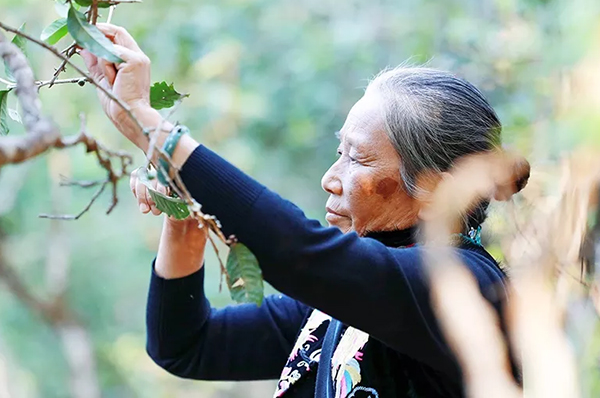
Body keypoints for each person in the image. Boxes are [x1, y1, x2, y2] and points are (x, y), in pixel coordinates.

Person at [81, 24, 528, 398]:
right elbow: (186, 346)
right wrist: (185, 217)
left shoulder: (465, 286)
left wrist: (151, 128)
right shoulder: (338, 309)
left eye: (357, 158)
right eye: (339, 152)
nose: (330, 178)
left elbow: (301, 255)